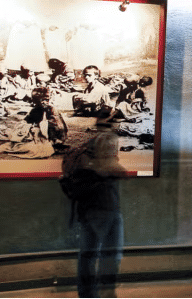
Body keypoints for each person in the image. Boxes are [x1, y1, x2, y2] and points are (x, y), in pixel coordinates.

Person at [62, 123, 127, 298]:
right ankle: (105, 293)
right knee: (110, 254)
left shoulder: (85, 150)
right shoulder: (104, 143)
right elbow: (114, 170)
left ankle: (87, 294)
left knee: (88, 254)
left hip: (88, 210)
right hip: (105, 208)